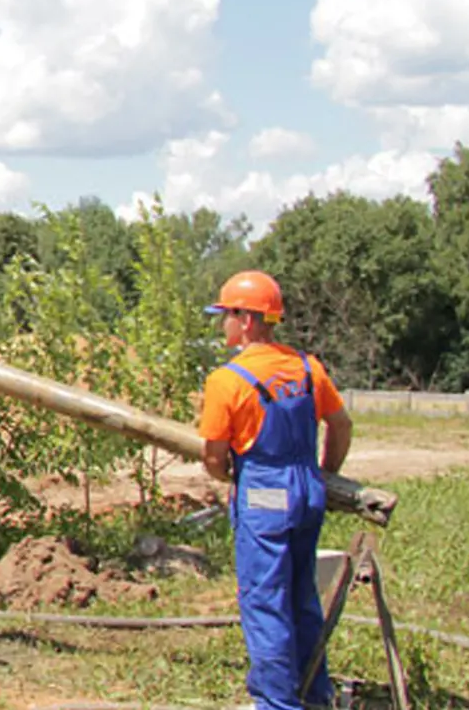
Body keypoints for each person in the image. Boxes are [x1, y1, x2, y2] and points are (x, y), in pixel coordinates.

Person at [197, 270, 354, 710]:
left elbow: (214, 458)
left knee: (265, 603)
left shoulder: (226, 381)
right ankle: (315, 693)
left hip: (264, 494)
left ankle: (277, 704)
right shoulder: (308, 368)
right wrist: (324, 473)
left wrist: (234, 478)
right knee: (302, 595)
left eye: (225, 314)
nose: (221, 324)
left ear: (247, 320)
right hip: (307, 489)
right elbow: (340, 425)